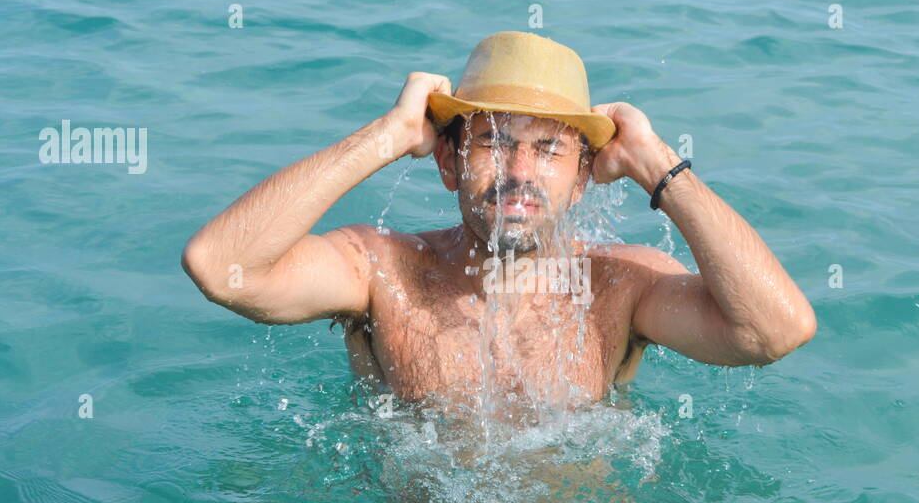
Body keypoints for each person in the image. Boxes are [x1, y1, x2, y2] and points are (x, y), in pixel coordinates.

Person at [182, 30, 816, 418]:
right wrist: (386, 136)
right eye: (490, 142)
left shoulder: (621, 286)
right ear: (448, 164)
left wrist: (660, 167)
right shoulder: (382, 273)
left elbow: (775, 332)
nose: (519, 172)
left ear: (584, 176)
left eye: (548, 149)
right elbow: (222, 269)